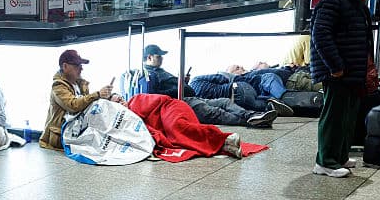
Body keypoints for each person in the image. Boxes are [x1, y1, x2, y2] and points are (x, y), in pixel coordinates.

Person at [311, 0, 373, 178]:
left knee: (348, 116)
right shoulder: (332, 1)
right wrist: (335, 66)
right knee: (334, 116)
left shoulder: (354, 0)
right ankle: (325, 161)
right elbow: (321, 35)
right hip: (338, 71)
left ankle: (339, 156)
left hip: (353, 70)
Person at [142, 45, 277, 128]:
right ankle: (251, 121)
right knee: (215, 113)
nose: (162, 58)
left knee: (224, 102)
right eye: (158, 56)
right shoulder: (150, 75)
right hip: (180, 103)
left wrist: (183, 83)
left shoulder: (159, 72)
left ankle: (252, 115)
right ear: (149, 57)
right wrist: (180, 86)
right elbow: (158, 95)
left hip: (189, 98)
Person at [39, 49, 122, 150]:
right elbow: (73, 105)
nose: (81, 68)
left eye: (81, 65)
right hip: (60, 137)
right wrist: (98, 94)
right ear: (65, 66)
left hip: (75, 133)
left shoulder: (80, 84)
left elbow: (86, 104)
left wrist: (108, 97)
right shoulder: (58, 86)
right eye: (76, 66)